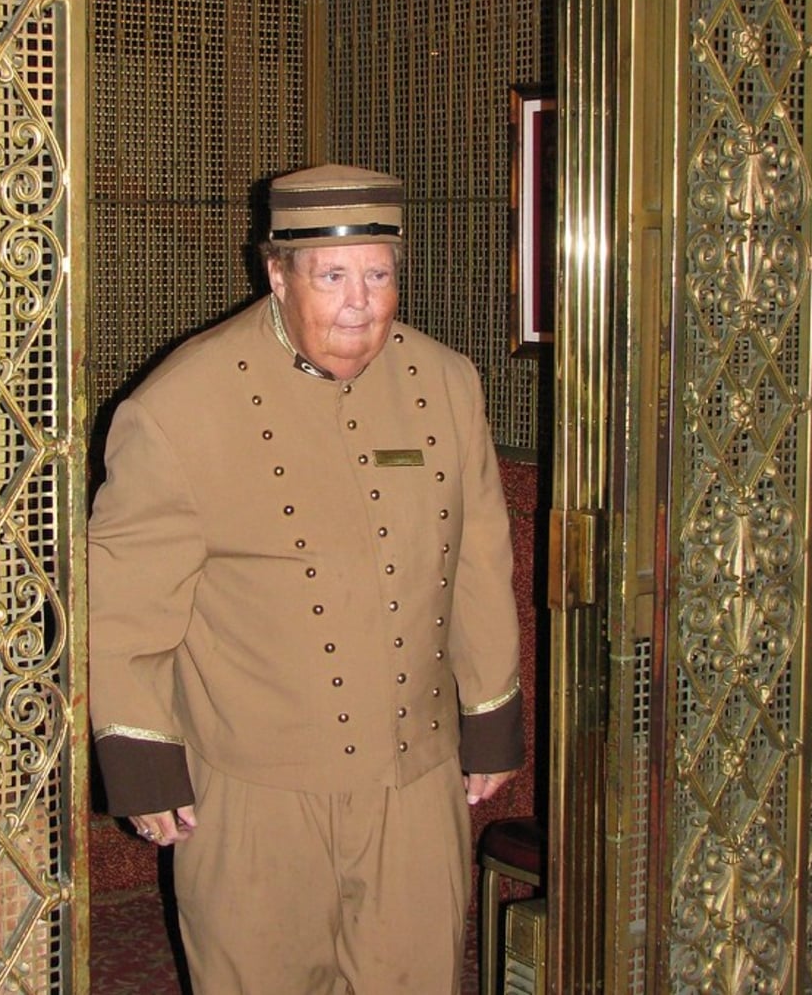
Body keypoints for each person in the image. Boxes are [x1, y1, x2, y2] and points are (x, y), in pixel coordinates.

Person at [89, 164, 524, 995]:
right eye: (332, 277)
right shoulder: (179, 406)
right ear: (276, 274)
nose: (359, 302)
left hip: (414, 778)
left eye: (378, 274)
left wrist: (489, 718)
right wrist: (145, 762)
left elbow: (476, 561)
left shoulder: (446, 385)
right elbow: (125, 605)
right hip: (253, 789)